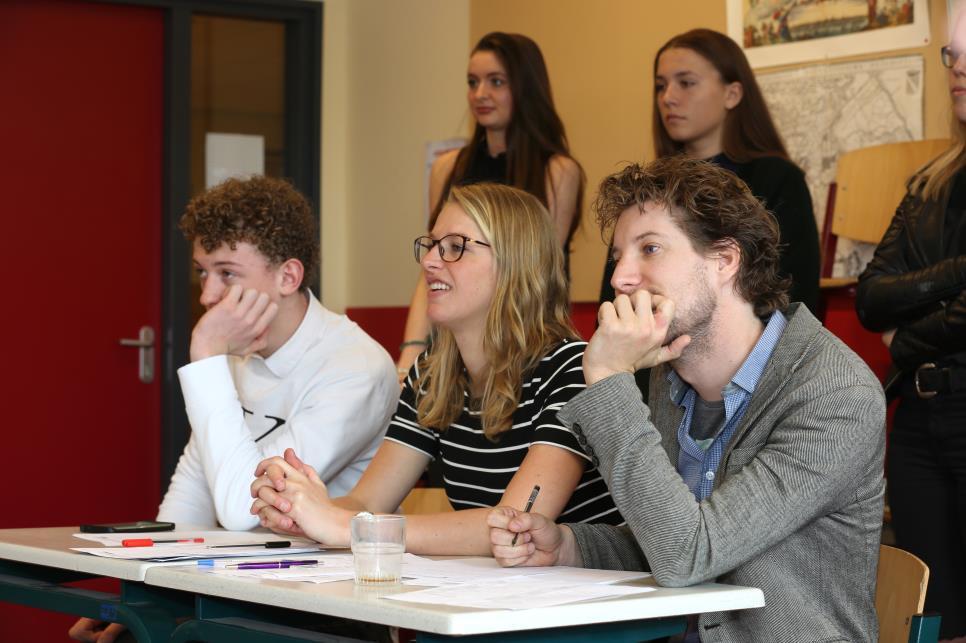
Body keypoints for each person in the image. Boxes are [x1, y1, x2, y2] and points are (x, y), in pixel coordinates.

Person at [488, 157, 886, 642]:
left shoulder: (834, 393)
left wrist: (611, 377)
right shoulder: (668, 377)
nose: (621, 278)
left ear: (725, 260)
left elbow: (688, 555)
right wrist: (569, 546)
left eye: (650, 248)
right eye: (619, 255)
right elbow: (673, 533)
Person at [69, 175, 399, 643]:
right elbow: (191, 497)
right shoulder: (240, 358)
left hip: (325, 609)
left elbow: (244, 511)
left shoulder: (355, 366)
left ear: (288, 276)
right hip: (235, 593)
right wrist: (140, 599)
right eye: (203, 272)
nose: (207, 296)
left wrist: (206, 356)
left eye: (227, 274)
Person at [251, 183, 622, 555]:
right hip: (496, 598)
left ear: (515, 262)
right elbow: (367, 504)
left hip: (589, 603)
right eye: (430, 245)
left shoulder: (573, 368)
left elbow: (512, 526)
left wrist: (346, 526)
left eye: (455, 247)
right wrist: (300, 508)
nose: (429, 262)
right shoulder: (431, 375)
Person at [855, 25, 966, 642]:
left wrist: (906, 339)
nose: (957, 68)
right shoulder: (930, 182)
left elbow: (895, 318)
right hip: (920, 424)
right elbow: (872, 299)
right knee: (936, 615)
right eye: (952, 55)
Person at [396, 31, 585, 381]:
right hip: (453, 343)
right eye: (473, 82)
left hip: (525, 344)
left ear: (525, 89)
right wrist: (411, 350)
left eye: (495, 81)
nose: (480, 94)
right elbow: (433, 266)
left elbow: (539, 275)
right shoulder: (447, 167)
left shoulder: (557, 172)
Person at [599, 28, 819, 315]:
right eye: (660, 86)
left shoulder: (778, 179)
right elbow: (612, 297)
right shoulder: (646, 188)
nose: (668, 98)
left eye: (686, 83)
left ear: (732, 94)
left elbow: (797, 296)